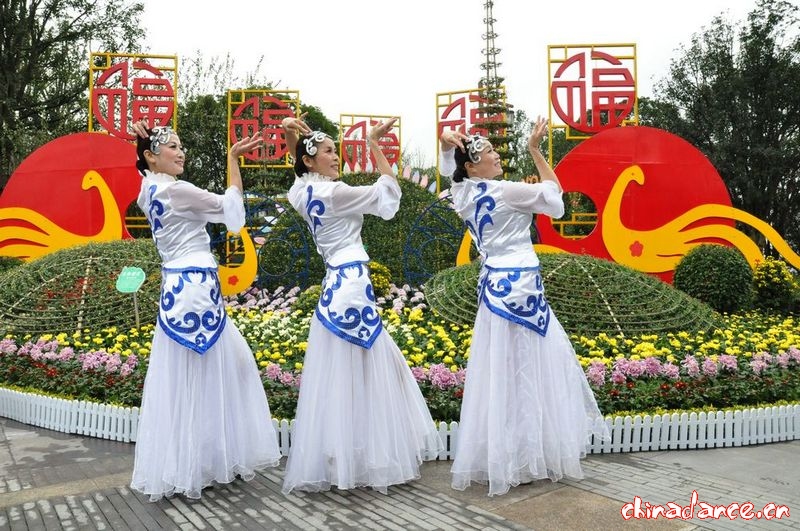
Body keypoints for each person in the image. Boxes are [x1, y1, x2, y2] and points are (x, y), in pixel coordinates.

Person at [439, 117, 609, 497]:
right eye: (489, 152)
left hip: (493, 289)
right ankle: (530, 456)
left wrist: (446, 142)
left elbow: (448, 169)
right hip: (522, 288)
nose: (496, 155)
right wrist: (534, 149)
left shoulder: (462, 194)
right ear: (472, 166)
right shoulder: (507, 191)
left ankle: (507, 456)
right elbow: (556, 200)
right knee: (531, 371)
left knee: (499, 373)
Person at [280, 115, 443, 495]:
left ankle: (347, 455)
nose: (335, 157)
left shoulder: (300, 194)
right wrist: (373, 144)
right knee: (371, 371)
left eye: (335, 150)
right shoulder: (335, 193)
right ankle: (370, 457)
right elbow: (388, 193)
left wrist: (289, 133)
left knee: (344, 373)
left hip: (335, 283)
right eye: (328, 152)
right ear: (310, 160)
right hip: (351, 283)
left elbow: (298, 168)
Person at [129, 121, 281, 501]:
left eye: (180, 145)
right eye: (172, 146)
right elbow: (233, 214)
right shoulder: (178, 191)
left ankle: (194, 461)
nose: (180, 152)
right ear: (151, 156)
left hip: (176, 289)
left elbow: (144, 172)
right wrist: (233, 160)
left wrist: (142, 139)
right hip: (196, 291)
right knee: (217, 373)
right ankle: (204, 462)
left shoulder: (148, 190)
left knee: (185, 378)